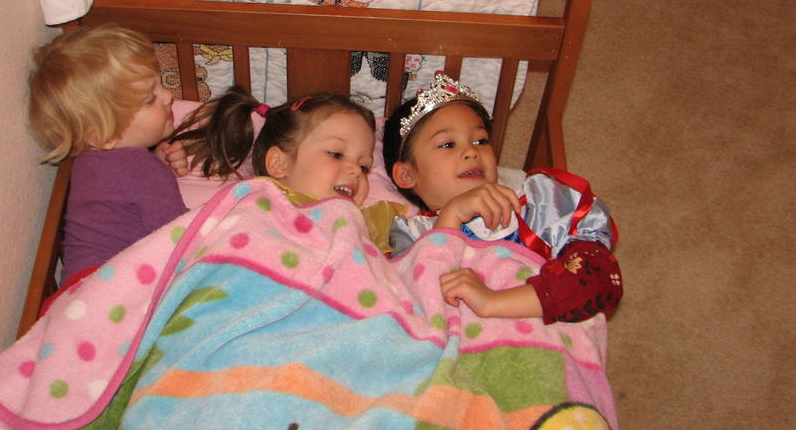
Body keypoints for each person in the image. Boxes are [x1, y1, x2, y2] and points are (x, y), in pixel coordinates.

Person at [382, 73, 622, 324]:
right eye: (448, 144)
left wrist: (493, 302)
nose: (472, 151)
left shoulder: (535, 203)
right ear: (407, 174)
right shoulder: (411, 235)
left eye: (481, 140)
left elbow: (602, 279)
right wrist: (451, 217)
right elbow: (412, 307)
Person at [27, 23, 188, 287]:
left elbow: (123, 204)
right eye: (150, 99)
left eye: (161, 84)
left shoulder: (89, 163)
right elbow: (183, 235)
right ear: (102, 136)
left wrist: (156, 159)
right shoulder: (140, 169)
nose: (168, 96)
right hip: (112, 286)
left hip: (78, 285)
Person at [169, 87, 405, 254]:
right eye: (335, 154)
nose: (356, 170)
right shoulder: (249, 205)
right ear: (280, 164)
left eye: (365, 167)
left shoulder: (370, 223)